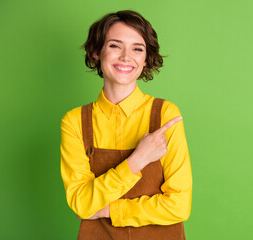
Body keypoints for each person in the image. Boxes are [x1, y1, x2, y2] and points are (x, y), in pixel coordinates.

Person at [60, 10, 192, 240]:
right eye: (115, 45)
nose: (126, 57)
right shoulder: (74, 122)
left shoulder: (166, 115)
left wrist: (108, 210)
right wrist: (138, 159)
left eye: (137, 49)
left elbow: (179, 205)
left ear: (145, 59)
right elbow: (80, 204)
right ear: (95, 52)